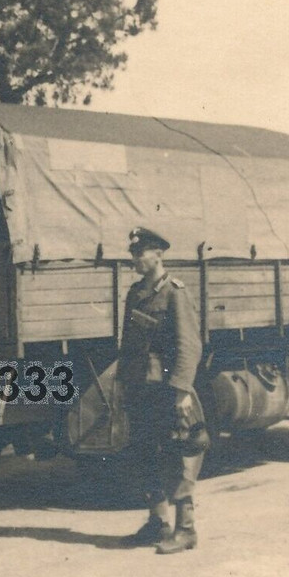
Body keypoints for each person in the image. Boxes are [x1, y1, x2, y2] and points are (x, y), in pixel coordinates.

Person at [117, 227, 210, 554]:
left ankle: (186, 529)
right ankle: (158, 522)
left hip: (167, 389)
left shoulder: (174, 292)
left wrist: (182, 390)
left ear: (158, 253)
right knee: (143, 451)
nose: (134, 259)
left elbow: (189, 345)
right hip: (141, 387)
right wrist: (122, 383)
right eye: (133, 253)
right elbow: (128, 345)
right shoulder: (135, 292)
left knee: (178, 453)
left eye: (140, 253)